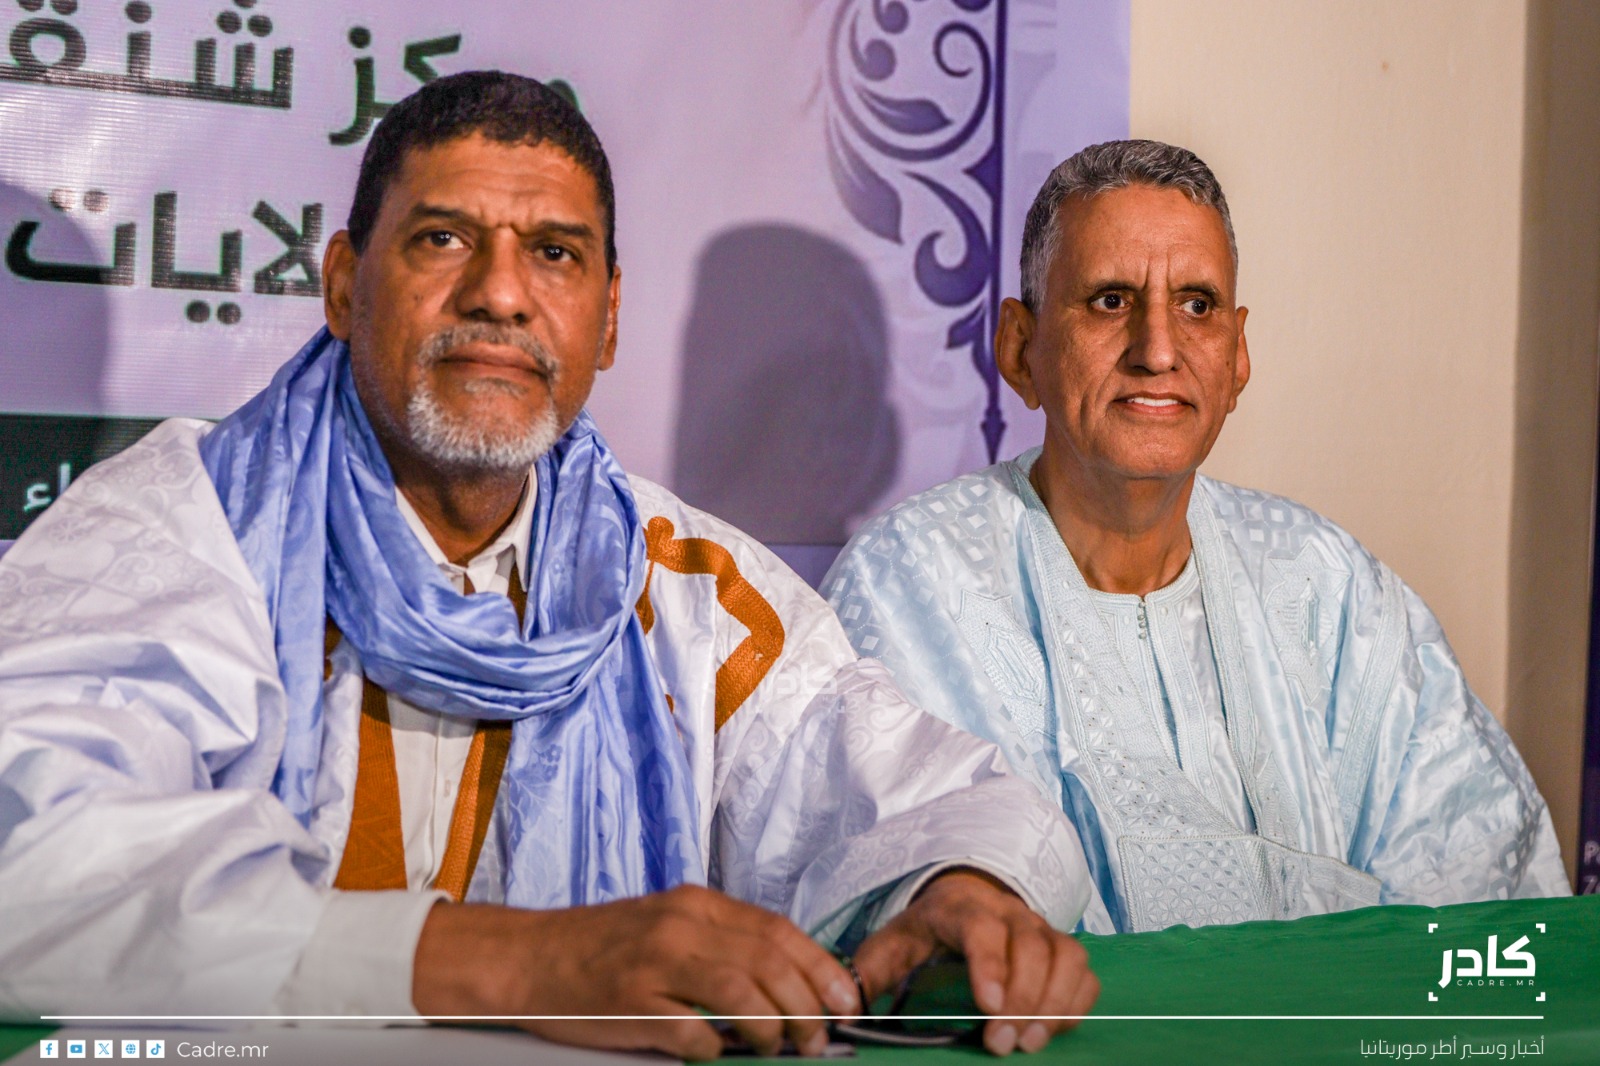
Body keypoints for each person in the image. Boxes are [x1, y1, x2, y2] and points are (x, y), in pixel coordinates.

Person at [0, 73, 1102, 1059]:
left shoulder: (674, 577)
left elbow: (917, 785)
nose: (500, 292)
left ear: (607, 319)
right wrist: (524, 964)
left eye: (555, 253)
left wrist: (961, 886)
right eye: (442, 238)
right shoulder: (188, 522)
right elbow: (30, 852)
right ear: (342, 284)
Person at [823, 139, 1570, 936]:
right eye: (1110, 300)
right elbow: (892, 901)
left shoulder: (1324, 583)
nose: (1157, 350)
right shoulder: (913, 584)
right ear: (1019, 348)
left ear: (1237, 355)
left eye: (1197, 306)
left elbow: (1486, 890)